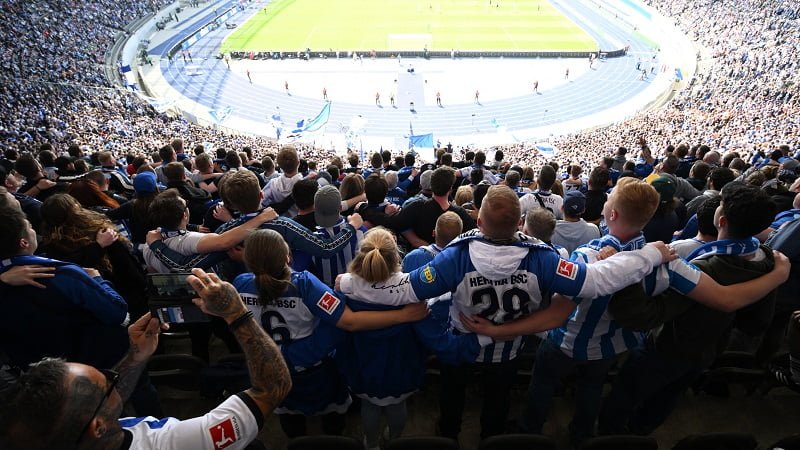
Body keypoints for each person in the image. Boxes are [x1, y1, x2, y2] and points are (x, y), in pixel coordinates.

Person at [338, 185, 678, 440]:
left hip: (463, 342)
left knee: (453, 395)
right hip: (509, 349)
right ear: (520, 223)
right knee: (497, 399)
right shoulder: (542, 258)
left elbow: (404, 289)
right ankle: (492, 438)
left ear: (479, 219)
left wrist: (349, 284)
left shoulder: (454, 257)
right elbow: (594, 281)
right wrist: (647, 255)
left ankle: (449, 435)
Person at [0, 267, 292, 450]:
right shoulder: (176, 443)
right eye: (108, 381)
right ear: (97, 426)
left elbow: (96, 406)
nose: (115, 378)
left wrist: (134, 359)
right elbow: (272, 388)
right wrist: (236, 314)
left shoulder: (53, 435)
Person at [599, 182, 786, 435]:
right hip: (707, 350)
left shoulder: (704, 268)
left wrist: (622, 273)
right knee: (666, 398)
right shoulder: (768, 260)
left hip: (667, 347)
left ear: (721, 220)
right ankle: (640, 432)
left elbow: (643, 315)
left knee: (625, 394)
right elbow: (755, 323)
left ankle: (610, 436)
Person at [233, 229, 426, 438]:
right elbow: (344, 323)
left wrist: (275, 354)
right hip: (312, 367)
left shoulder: (239, 284)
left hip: (267, 368)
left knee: (288, 415)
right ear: (288, 256)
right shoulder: (306, 285)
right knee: (332, 417)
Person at [0, 205, 129, 370]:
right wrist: (97, 278)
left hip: (29, 371)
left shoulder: (4, 277)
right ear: (24, 242)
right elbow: (118, 312)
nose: (34, 231)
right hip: (87, 366)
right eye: (30, 227)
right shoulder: (62, 274)